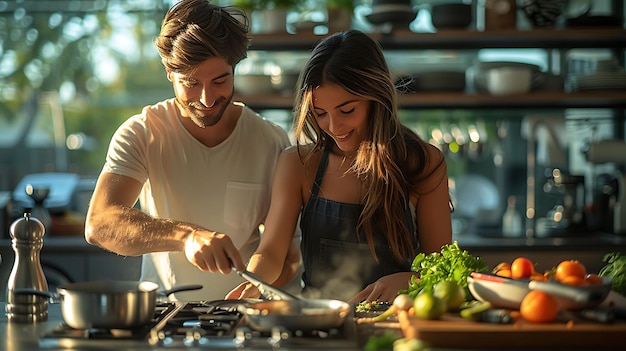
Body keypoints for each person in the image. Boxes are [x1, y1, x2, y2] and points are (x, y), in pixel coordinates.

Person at [84, 0, 301, 301]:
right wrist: (187, 236)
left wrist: (257, 288)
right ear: (169, 73)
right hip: (165, 319)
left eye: (220, 80)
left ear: (235, 69)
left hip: (244, 320)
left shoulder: (271, 141)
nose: (207, 98)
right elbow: (100, 223)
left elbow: (287, 255)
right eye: (191, 82)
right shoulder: (143, 133)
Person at [226, 29, 453, 303]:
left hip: (397, 323)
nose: (334, 127)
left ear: (376, 99)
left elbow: (442, 268)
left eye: (347, 111)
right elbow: (272, 251)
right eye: (321, 114)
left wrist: (411, 280)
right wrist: (255, 283)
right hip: (318, 323)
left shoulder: (424, 163)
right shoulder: (298, 164)